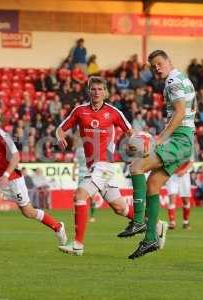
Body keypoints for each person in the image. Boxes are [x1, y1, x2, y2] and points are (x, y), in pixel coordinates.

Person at [118, 50, 196, 259]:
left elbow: (180, 112)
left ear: (169, 61)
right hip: (184, 140)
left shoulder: (173, 82)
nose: (157, 68)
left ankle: (138, 221)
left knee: (136, 166)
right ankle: (150, 238)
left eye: (159, 63)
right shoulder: (181, 78)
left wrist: (160, 138)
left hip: (179, 139)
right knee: (153, 185)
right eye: (153, 66)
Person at [56, 76, 146, 256]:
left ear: (105, 92)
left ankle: (78, 245)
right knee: (120, 208)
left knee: (80, 195)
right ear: (89, 91)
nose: (96, 92)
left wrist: (134, 143)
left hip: (105, 164)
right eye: (93, 89)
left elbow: (130, 131)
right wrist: (60, 137)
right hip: (95, 166)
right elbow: (61, 128)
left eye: (100, 89)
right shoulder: (80, 111)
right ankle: (155, 225)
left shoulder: (113, 112)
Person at [0, 112, 67, 249]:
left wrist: (6, 175)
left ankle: (58, 227)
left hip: (13, 179)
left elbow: (16, 157)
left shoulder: (4, 137)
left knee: (28, 212)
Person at [71, 133, 97, 222]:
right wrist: (73, 174)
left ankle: (92, 216)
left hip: (90, 174)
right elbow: (75, 162)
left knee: (92, 196)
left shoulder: (92, 149)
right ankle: (79, 215)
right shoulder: (78, 150)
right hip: (81, 174)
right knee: (79, 196)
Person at [165, 160, 193, 230]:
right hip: (172, 175)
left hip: (184, 175)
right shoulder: (169, 148)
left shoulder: (188, 148)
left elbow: (191, 162)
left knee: (186, 200)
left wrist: (184, 170)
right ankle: (172, 222)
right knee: (172, 197)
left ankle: (186, 222)